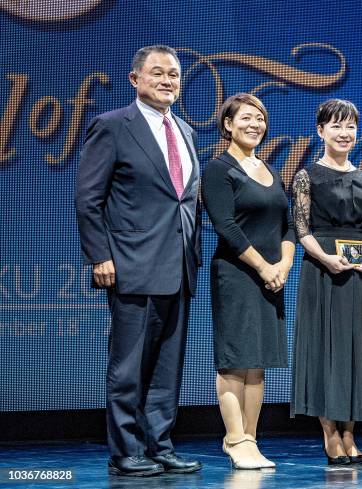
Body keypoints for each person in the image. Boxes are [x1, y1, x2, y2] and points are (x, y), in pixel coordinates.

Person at [75, 45, 202, 476]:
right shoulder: (112, 126)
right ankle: (125, 449)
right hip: (132, 264)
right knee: (128, 367)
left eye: (174, 75)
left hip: (181, 266)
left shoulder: (186, 131)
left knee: (168, 368)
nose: (167, 81)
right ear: (135, 80)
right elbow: (89, 199)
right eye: (158, 73)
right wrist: (100, 256)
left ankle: (160, 444)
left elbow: (185, 201)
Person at [291, 99, 362, 465]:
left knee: (354, 352)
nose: (344, 133)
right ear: (320, 131)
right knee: (324, 350)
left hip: (359, 276)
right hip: (323, 271)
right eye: (336, 126)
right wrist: (324, 258)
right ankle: (330, 434)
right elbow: (302, 228)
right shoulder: (307, 176)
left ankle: (350, 434)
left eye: (350, 127)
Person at [202, 93, 295, 470]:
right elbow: (227, 228)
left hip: (272, 277)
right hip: (238, 275)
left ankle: (252, 440)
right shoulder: (218, 169)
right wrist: (263, 267)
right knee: (234, 362)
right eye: (246, 118)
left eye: (260, 118)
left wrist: (284, 265)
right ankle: (234, 438)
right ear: (227, 124)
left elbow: (288, 224)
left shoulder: (270, 170)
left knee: (257, 364)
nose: (255, 124)